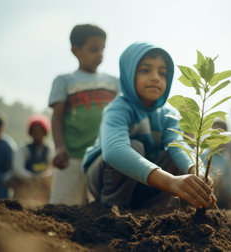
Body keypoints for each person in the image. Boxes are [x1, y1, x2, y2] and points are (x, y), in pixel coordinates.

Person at [83, 42, 215, 209]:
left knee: (173, 150)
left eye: (162, 73)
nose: (155, 77)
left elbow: (178, 145)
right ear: (129, 73)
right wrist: (171, 182)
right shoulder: (119, 108)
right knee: (134, 147)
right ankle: (113, 207)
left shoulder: (168, 115)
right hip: (104, 180)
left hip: (143, 184)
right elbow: (114, 151)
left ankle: (154, 208)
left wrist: (197, 171)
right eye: (145, 70)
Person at [48, 24, 120, 206]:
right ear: (75, 50)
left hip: (103, 159)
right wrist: (59, 147)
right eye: (94, 49)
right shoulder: (65, 80)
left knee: (99, 210)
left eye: (103, 49)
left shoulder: (113, 83)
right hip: (72, 158)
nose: (100, 54)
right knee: (62, 209)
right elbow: (57, 116)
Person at [12, 114, 53, 204]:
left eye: (40, 131)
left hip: (44, 183)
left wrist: (45, 176)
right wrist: (32, 177)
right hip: (26, 182)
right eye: (35, 131)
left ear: (45, 132)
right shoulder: (23, 148)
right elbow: (18, 168)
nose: (38, 134)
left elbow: (52, 167)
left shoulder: (50, 149)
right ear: (30, 133)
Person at [202, 120, 231, 209]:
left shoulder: (226, 158)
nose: (217, 135)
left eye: (221, 133)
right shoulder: (203, 155)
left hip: (221, 200)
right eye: (215, 132)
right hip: (203, 197)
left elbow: (230, 179)